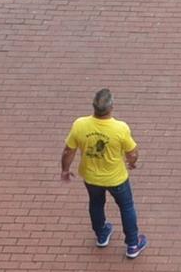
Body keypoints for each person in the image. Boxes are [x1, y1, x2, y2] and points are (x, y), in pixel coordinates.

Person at [60, 87, 147, 258]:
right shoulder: (120, 128)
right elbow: (132, 152)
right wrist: (132, 162)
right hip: (116, 179)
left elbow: (68, 151)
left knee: (96, 203)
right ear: (111, 107)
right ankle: (132, 244)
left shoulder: (80, 125)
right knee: (126, 207)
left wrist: (65, 169)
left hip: (91, 177)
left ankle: (101, 234)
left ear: (93, 107)